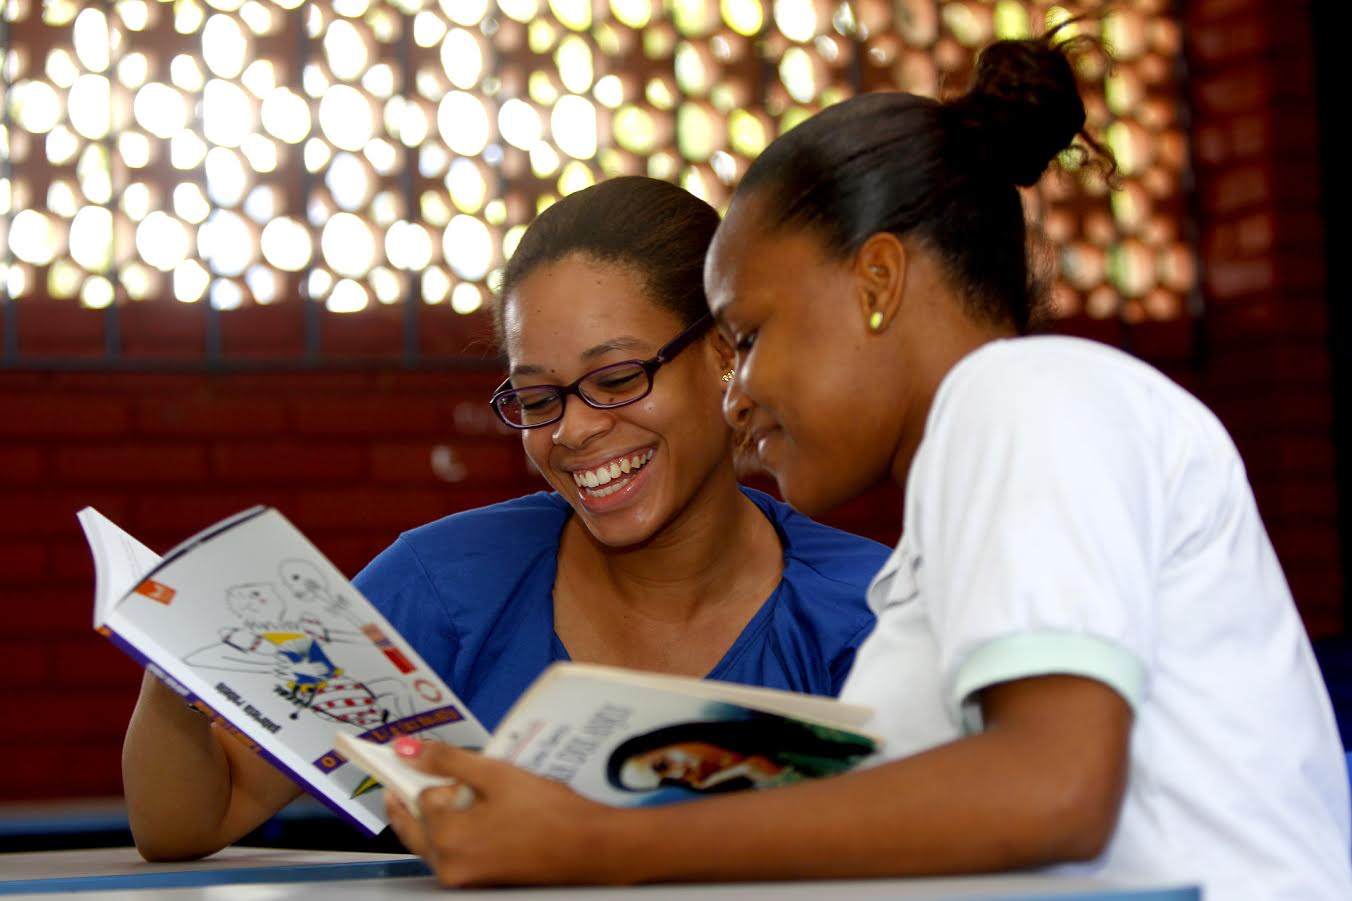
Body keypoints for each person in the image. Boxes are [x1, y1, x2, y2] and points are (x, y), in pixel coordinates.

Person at [383, 31, 1352, 899]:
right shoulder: (930, 554)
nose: (738, 389)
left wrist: (595, 844)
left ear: (877, 283)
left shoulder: (1024, 396)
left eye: (751, 335)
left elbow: (1053, 790)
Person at [119, 176, 888, 861]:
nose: (574, 431)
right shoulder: (446, 587)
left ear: (724, 354)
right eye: (538, 398)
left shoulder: (865, 607)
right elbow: (194, 816)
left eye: (617, 378)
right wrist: (178, 662)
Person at [606, 717, 875, 795]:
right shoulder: (758, 794)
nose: (680, 774)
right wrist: (756, 773)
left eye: (663, 764)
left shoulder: (790, 721)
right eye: (668, 781)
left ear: (672, 739)